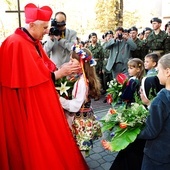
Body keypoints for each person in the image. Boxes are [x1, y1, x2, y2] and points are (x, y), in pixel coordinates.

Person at [0, 3, 89, 170]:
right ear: (32, 25)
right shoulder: (16, 43)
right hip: (22, 107)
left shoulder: (32, 41)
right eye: (45, 27)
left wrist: (63, 72)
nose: (48, 31)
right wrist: (58, 74)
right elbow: (28, 81)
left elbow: (43, 68)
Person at [59, 46, 102, 157]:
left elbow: (75, 106)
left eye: (72, 60)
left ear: (81, 64)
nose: (69, 62)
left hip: (80, 122)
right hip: (83, 118)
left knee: (80, 154)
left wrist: (59, 99)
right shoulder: (81, 78)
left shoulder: (82, 82)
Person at [108, 58, 145, 170]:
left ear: (138, 69)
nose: (129, 70)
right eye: (128, 67)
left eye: (132, 68)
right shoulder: (138, 80)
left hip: (130, 106)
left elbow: (126, 95)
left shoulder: (133, 81)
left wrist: (120, 93)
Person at [138, 53, 170, 170]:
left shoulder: (161, 98)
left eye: (158, 71)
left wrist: (131, 130)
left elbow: (151, 131)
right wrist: (149, 104)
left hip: (158, 156)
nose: (157, 74)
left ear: (167, 72)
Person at [88, 32, 104, 100]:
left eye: (94, 37)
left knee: (97, 80)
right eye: (92, 37)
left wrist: (101, 68)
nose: (93, 39)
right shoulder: (88, 47)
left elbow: (102, 58)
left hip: (97, 65)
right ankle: (92, 93)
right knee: (91, 80)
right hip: (90, 66)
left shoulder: (100, 47)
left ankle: (97, 94)